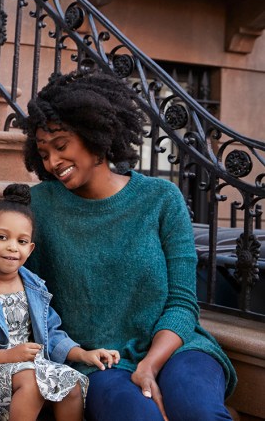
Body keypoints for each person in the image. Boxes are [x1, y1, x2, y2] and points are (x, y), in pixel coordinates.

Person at [22, 70, 236, 421]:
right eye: (44, 153)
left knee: (200, 412)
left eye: (61, 146)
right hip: (99, 363)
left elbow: (183, 301)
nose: (52, 162)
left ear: (96, 136)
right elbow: (30, 300)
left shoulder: (161, 198)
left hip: (176, 347)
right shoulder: (39, 207)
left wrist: (150, 365)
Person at [0, 183, 120, 421]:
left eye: (21, 241)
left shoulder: (35, 286)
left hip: (32, 367)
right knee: (32, 381)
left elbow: (52, 333)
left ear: (30, 249)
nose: (12, 247)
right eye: (2, 237)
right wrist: (8, 356)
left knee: (72, 384)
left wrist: (82, 354)